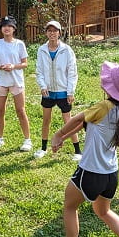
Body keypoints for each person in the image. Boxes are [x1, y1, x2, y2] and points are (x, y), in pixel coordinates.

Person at [51, 61, 119, 237]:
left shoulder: (103, 106)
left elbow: (77, 119)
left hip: (91, 172)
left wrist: (58, 135)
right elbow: (86, 124)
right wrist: (65, 138)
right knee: (104, 211)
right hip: (111, 174)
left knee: (69, 206)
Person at [33, 19, 81, 161]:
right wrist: (42, 86)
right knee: (46, 120)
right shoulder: (42, 50)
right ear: (46, 33)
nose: (52, 33)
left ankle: (77, 151)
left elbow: (72, 71)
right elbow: (39, 71)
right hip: (48, 91)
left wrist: (70, 91)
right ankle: (43, 148)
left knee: (68, 121)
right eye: (49, 30)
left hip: (63, 91)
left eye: (55, 31)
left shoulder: (67, 50)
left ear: (60, 33)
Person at [0, 15, 31, 151]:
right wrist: (2, 67)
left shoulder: (19, 44)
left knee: (20, 110)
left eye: (9, 26)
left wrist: (13, 66)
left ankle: (27, 140)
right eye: (4, 26)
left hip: (16, 81)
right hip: (1, 81)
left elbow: (25, 64)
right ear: (1, 29)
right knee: (0, 110)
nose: (6, 28)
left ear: (14, 29)